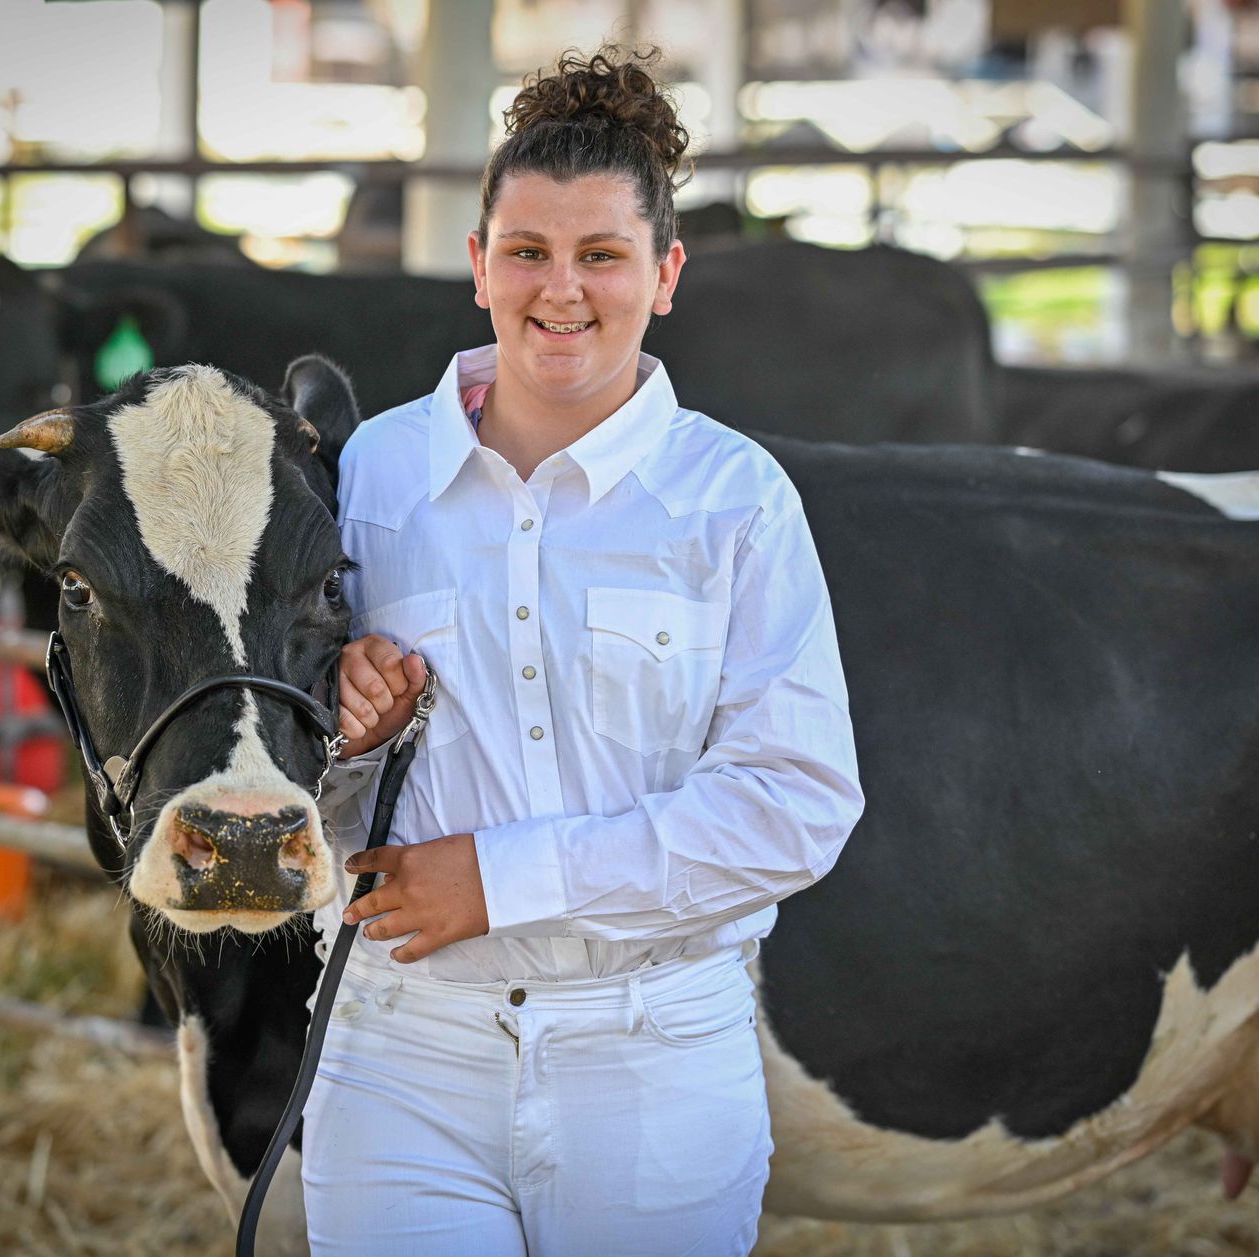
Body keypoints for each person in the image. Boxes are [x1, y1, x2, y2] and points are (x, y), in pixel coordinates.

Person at [306, 47, 862, 1257]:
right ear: (478, 265)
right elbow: (294, 764)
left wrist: (503, 880)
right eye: (528, 251)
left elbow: (797, 805)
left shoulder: (734, 499)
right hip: (400, 1054)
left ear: (666, 274)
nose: (561, 290)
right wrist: (341, 726)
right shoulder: (372, 475)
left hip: (651, 1059)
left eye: (602, 255)